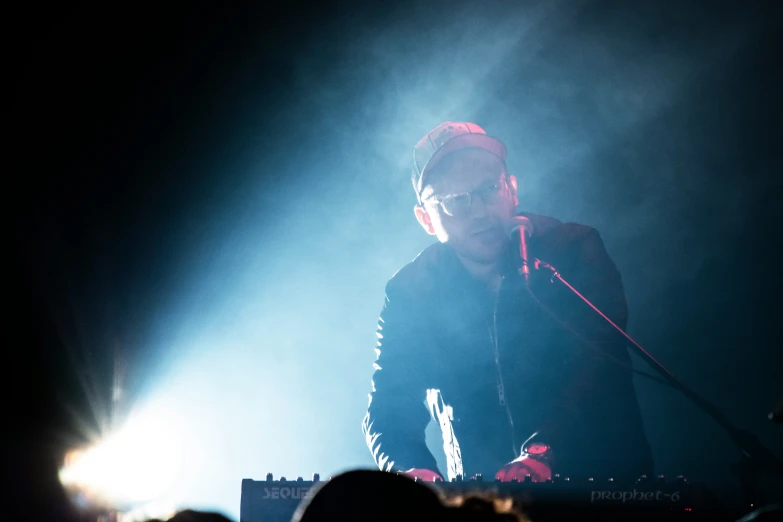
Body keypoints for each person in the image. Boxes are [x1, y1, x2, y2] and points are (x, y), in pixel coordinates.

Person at [361, 121, 654, 484]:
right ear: (426, 219)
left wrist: (544, 449)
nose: (479, 211)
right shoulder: (412, 291)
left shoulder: (574, 250)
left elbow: (597, 366)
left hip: (601, 489)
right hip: (482, 505)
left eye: (488, 189)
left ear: (512, 189)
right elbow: (389, 406)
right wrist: (411, 472)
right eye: (455, 201)